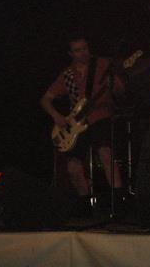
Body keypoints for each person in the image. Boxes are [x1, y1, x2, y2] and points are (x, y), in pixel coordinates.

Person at [40, 36, 124, 208]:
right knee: (72, 166)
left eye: (84, 48)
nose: (83, 53)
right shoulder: (68, 74)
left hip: (101, 116)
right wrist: (57, 116)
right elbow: (45, 100)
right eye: (77, 50)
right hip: (76, 125)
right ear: (70, 54)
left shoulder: (102, 65)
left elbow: (120, 91)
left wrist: (115, 84)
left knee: (105, 153)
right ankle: (84, 205)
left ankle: (118, 200)